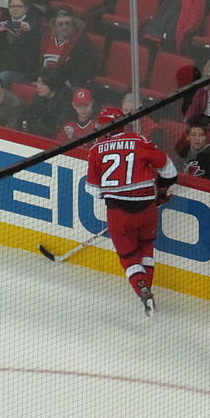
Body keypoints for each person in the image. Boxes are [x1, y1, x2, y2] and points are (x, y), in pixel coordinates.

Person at [85, 106, 178, 317]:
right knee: (146, 248)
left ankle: (143, 291)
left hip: (119, 214)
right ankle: (148, 287)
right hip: (147, 208)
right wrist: (161, 188)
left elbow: (92, 189)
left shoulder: (96, 149)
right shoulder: (139, 141)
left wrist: (110, 194)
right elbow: (170, 170)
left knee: (129, 258)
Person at [0, 0, 41, 86]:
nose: (15, 9)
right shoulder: (4, 20)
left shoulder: (32, 24)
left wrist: (27, 33)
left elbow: (30, 51)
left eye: (19, 6)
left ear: (26, 9)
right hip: (0, 63)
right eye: (12, 6)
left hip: (20, 68)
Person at [38, 8, 95, 88]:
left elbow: (87, 67)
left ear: (73, 25)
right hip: (41, 81)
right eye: (60, 24)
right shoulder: (44, 37)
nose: (64, 27)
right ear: (53, 26)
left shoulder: (82, 42)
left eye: (67, 24)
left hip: (65, 85)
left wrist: (69, 83)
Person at [26, 66, 73, 138]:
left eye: (43, 84)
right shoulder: (37, 97)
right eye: (38, 82)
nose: (39, 87)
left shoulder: (66, 101)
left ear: (52, 84)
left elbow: (59, 128)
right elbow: (31, 118)